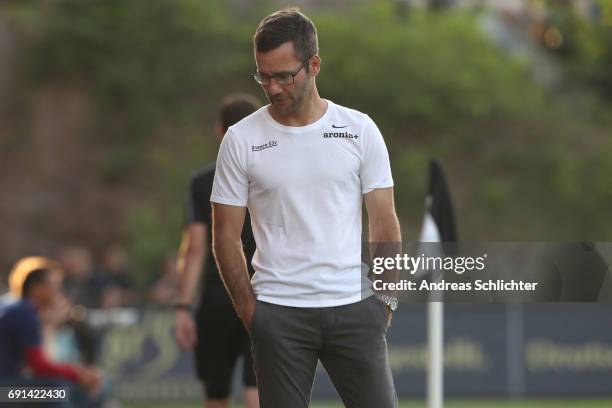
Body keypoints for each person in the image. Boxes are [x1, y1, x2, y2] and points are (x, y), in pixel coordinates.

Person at [211, 8, 401, 408]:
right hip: (278, 313)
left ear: (314, 65)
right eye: (263, 76)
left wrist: (385, 301)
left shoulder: (359, 129)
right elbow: (225, 236)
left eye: (284, 75)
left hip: (354, 308)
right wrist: (251, 313)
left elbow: (384, 223)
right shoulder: (240, 140)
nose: (273, 87)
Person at [174, 94, 261, 408]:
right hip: (265, 289)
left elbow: (195, 249)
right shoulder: (271, 176)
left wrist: (183, 306)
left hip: (218, 293)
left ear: (219, 131)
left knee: (216, 392)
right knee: (258, 388)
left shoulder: (203, 182)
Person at [0, 257, 103, 408]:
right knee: (57, 390)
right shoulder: (24, 312)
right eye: (54, 285)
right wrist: (79, 375)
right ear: (36, 288)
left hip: (8, 387)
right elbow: (38, 365)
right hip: (6, 391)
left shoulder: (13, 307)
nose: (58, 291)